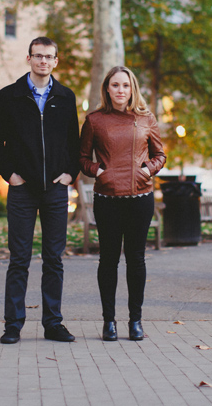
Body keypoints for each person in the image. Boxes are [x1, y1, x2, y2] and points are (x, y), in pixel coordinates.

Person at [0, 37, 80, 344]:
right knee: (19, 259)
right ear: (28, 59)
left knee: (54, 259)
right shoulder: (9, 96)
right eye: (37, 56)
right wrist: (9, 174)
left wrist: (70, 173)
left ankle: (53, 323)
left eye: (48, 57)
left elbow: (74, 143)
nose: (43, 61)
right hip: (22, 190)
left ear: (56, 61)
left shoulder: (65, 97)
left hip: (55, 190)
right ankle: (13, 325)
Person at [78, 66, 166, 342]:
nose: (120, 90)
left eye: (125, 86)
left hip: (140, 198)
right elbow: (81, 158)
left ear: (132, 88)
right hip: (107, 200)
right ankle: (109, 322)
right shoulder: (94, 120)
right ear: (107, 89)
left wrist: (148, 169)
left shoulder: (146, 118)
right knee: (108, 261)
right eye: (115, 85)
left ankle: (135, 321)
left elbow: (160, 155)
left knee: (136, 260)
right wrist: (98, 171)